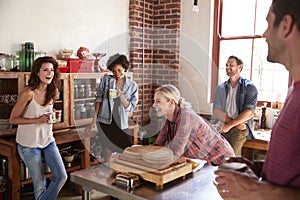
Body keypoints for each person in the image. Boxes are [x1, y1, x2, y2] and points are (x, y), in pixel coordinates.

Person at [215, 0, 300, 199]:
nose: (264, 34)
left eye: (269, 23)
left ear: (286, 26)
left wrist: (256, 190)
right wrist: (256, 168)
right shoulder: (293, 93)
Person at [9, 56, 67, 200]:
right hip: (28, 145)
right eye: (45, 70)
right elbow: (13, 119)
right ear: (37, 73)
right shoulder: (28, 93)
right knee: (39, 184)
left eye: (52, 70)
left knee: (61, 176)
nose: (50, 73)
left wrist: (52, 115)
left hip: (47, 140)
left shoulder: (52, 91)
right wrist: (38, 120)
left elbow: (45, 115)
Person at [153, 84, 234, 165]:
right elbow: (158, 146)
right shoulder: (169, 120)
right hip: (204, 162)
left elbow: (177, 151)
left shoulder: (186, 116)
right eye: (154, 101)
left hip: (221, 160)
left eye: (158, 101)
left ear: (171, 103)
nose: (154, 105)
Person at [87, 53, 138, 162]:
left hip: (121, 122)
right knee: (107, 149)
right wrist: (93, 122)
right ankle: (107, 173)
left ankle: (126, 172)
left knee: (128, 149)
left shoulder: (132, 85)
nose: (117, 74)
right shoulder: (106, 80)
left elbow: (130, 107)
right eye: (114, 71)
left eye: (119, 70)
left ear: (124, 67)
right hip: (105, 121)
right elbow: (98, 100)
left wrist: (121, 96)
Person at [213, 55, 258, 155]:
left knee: (227, 158)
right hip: (223, 126)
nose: (228, 67)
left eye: (231, 65)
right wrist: (231, 124)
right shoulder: (221, 88)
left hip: (240, 130)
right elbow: (216, 111)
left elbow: (250, 112)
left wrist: (231, 125)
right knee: (213, 156)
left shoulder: (249, 87)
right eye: (227, 65)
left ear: (240, 67)